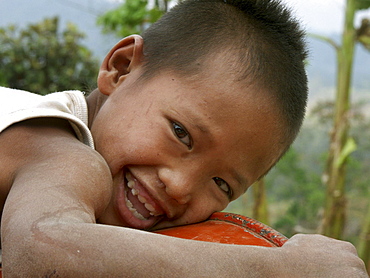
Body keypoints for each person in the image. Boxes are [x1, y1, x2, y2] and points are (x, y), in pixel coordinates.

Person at [0, 0, 367, 276]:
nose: (179, 187)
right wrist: (283, 269)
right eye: (181, 134)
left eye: (222, 184)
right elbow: (39, 250)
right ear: (122, 68)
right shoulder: (57, 148)